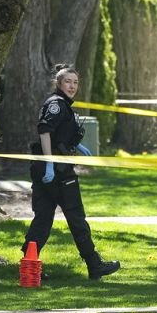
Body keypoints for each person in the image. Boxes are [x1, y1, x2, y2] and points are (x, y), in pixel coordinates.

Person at [22, 64, 120, 280]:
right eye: (68, 81)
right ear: (58, 83)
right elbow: (45, 131)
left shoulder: (62, 104)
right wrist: (51, 162)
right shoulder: (56, 104)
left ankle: (28, 266)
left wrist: (77, 146)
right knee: (76, 216)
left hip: (45, 169)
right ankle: (95, 265)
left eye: (75, 82)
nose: (72, 86)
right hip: (57, 170)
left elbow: (59, 134)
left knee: (43, 218)